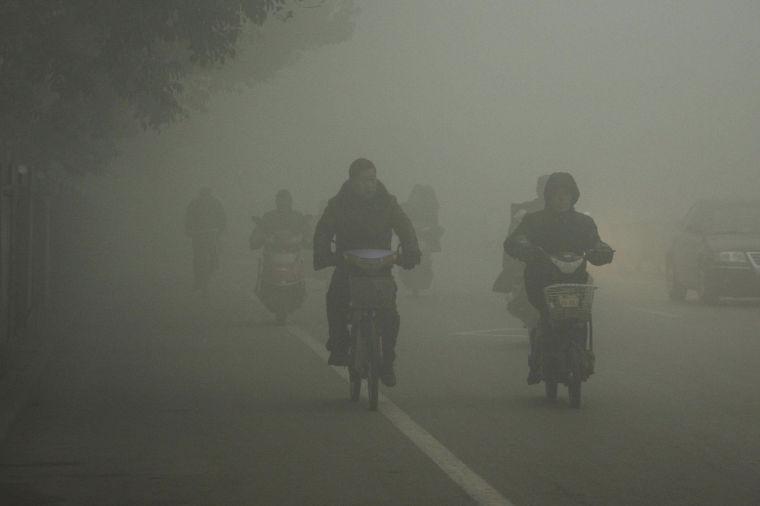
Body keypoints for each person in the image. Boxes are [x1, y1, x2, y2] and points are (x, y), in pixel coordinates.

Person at [313, 158, 421, 386]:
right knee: (335, 300)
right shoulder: (337, 204)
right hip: (348, 268)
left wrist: (410, 250)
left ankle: (387, 363)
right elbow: (323, 231)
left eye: (373, 179)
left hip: (380, 270)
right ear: (352, 181)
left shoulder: (388, 203)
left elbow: (405, 228)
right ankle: (340, 346)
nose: (370, 185)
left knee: (390, 316)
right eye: (364, 180)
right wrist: (323, 254)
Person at [504, 172, 613, 384]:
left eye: (566, 194)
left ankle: (582, 353)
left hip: (576, 282)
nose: (562, 198)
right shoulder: (533, 220)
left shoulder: (584, 222)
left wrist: (601, 249)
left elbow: (595, 242)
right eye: (557, 194)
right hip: (541, 280)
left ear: (574, 197)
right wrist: (524, 247)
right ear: (549, 197)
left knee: (582, 319)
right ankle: (538, 355)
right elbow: (515, 240)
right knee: (544, 316)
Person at [492, 175, 550, 328]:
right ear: (538, 190)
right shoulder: (525, 212)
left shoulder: (569, 213)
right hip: (532, 259)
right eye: (544, 187)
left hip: (559, 259)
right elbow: (513, 237)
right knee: (523, 286)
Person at [250, 190, 311, 324]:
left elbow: (307, 231)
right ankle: (265, 289)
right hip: (272, 252)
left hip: (293, 253)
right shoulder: (268, 217)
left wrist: (309, 240)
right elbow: (259, 231)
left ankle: (298, 290)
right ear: (276, 202)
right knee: (264, 265)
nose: (283, 203)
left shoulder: (298, 217)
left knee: (300, 263)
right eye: (280, 200)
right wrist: (256, 239)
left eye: (285, 200)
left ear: (290, 201)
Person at [400, 184, 444, 294]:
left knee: (423, 260)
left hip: (424, 238)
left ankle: (418, 284)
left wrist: (430, 231)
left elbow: (434, 226)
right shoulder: (406, 207)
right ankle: (413, 284)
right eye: (418, 195)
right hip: (410, 239)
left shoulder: (431, 209)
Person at [185, 187, 226, 296]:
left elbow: (188, 218)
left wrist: (188, 230)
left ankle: (198, 280)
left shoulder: (194, 202)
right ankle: (204, 278)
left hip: (198, 234)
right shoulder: (216, 202)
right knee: (213, 258)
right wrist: (220, 231)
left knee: (198, 258)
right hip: (211, 234)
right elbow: (223, 218)